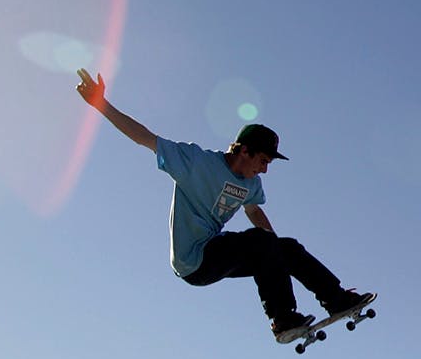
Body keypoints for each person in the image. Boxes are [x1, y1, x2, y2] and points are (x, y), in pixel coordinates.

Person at [75, 68, 375, 343]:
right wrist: (101, 104)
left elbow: (254, 211)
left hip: (220, 254)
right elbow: (145, 139)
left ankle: (336, 299)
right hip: (193, 260)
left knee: (287, 247)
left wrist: (275, 249)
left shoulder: (251, 184)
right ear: (244, 151)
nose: (264, 170)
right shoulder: (196, 162)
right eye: (262, 161)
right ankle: (282, 319)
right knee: (261, 242)